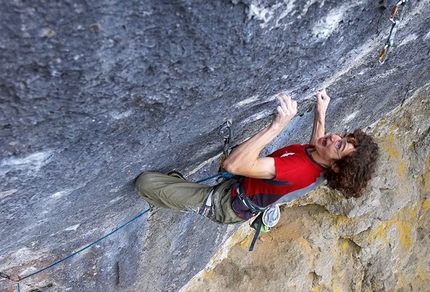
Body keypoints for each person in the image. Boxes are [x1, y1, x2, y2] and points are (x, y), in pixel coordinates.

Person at [135, 90, 379, 225]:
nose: (334, 137)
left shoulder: (298, 171)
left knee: (145, 183)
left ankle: (176, 193)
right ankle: (179, 189)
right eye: (343, 136)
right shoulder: (322, 161)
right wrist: (320, 113)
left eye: (340, 145)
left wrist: (277, 125)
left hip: (225, 204)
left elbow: (234, 164)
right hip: (242, 187)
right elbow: (317, 145)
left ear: (336, 167)